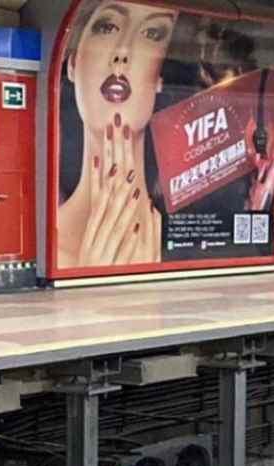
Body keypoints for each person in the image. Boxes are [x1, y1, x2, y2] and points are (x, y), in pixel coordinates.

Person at [57, 1, 175, 269]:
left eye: (152, 34)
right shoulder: (45, 248)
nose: (122, 52)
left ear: (160, 78)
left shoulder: (183, 241)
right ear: (73, 64)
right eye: (107, 26)